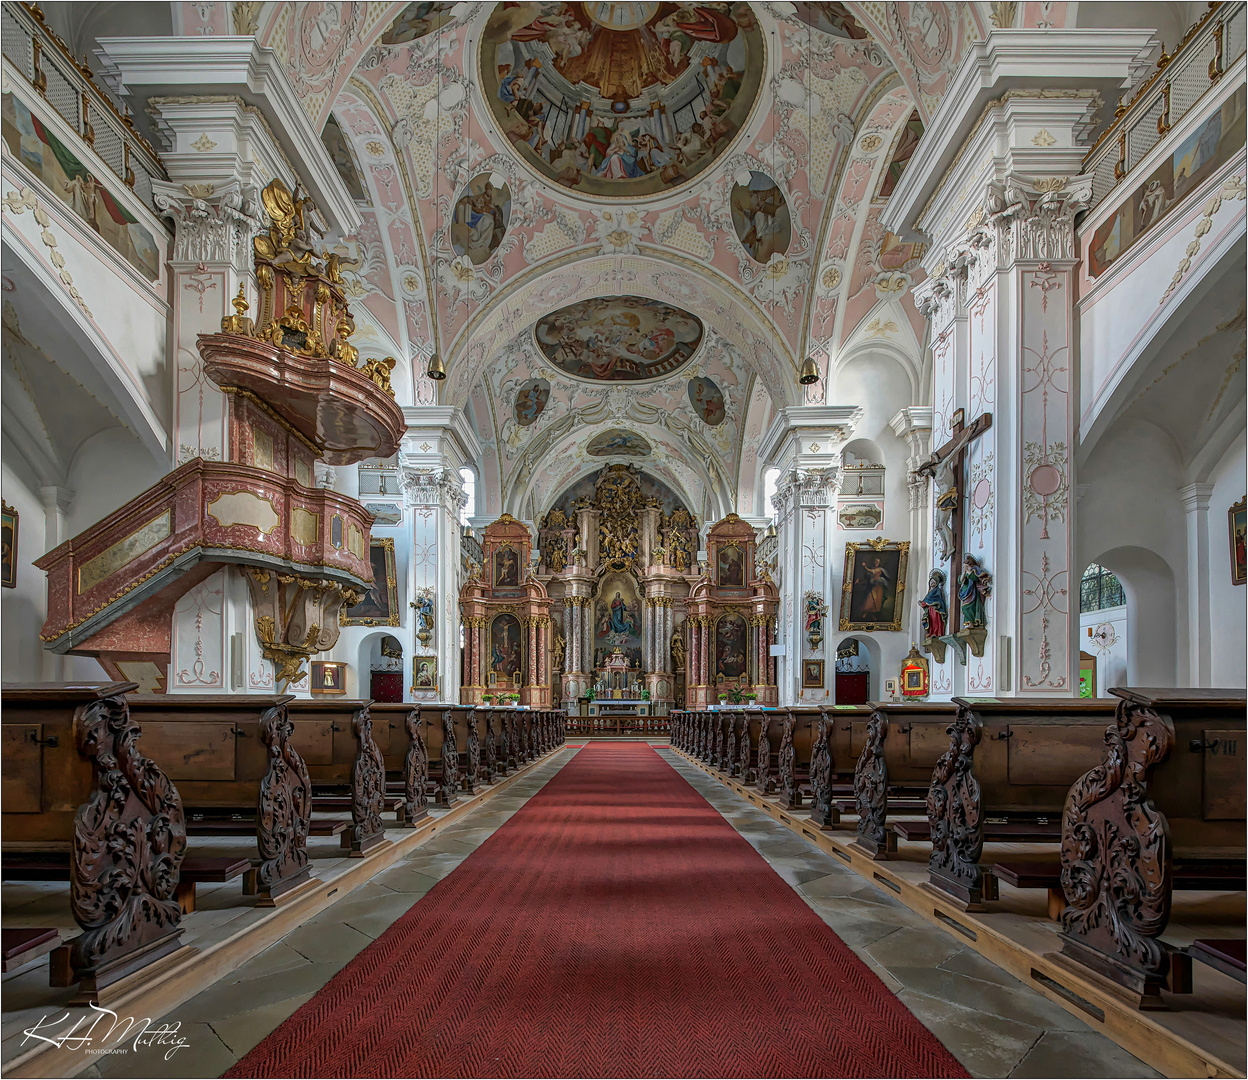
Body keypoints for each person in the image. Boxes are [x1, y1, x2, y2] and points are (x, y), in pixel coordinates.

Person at [958, 554, 992, 628]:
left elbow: (975, 577)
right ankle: (970, 622)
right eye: (963, 566)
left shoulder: (974, 570)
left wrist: (969, 570)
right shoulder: (966, 573)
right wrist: (964, 572)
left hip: (973, 592)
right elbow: (961, 580)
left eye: (965, 566)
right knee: (964, 607)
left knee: (969, 606)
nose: (964, 568)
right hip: (966, 592)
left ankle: (972, 622)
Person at [918, 569, 948, 640]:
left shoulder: (937, 590)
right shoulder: (930, 591)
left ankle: (937, 633)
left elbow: (936, 600)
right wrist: (922, 603)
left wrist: (924, 603)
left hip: (936, 609)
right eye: (931, 582)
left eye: (934, 582)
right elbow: (927, 600)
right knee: (930, 621)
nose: (932, 583)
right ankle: (931, 633)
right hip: (930, 610)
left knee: (935, 621)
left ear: (937, 583)